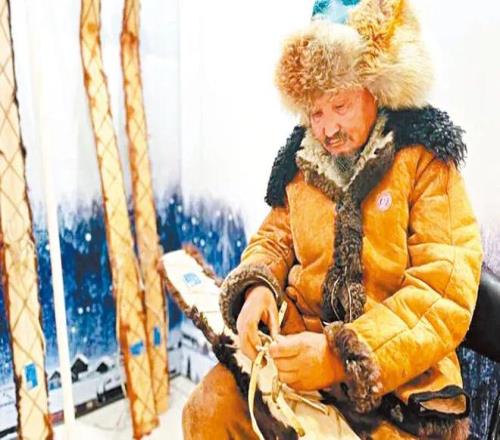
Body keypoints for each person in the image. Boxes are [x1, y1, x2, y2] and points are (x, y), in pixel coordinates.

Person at [182, 0, 483, 438]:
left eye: (340, 105)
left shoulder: (425, 160)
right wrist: (256, 288)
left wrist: (339, 357)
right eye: (316, 112)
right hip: (298, 353)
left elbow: (443, 291)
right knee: (208, 410)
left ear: (376, 90)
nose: (327, 129)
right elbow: (274, 238)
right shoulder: (300, 162)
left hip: (398, 383)